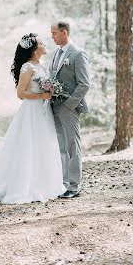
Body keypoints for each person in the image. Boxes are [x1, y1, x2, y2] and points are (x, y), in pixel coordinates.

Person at [0, 33, 65, 204]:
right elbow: (20, 94)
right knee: (29, 145)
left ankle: (44, 184)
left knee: (44, 144)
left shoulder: (42, 65)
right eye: (42, 43)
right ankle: (24, 186)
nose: (45, 44)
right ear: (35, 49)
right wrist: (42, 95)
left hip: (44, 112)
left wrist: (51, 93)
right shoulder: (27, 68)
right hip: (32, 111)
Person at [50, 21, 90, 199]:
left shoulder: (78, 54)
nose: (52, 37)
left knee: (73, 146)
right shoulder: (55, 53)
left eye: (54, 33)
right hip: (54, 106)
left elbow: (84, 84)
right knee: (61, 147)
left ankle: (74, 186)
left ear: (64, 32)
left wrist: (69, 105)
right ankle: (63, 184)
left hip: (69, 108)